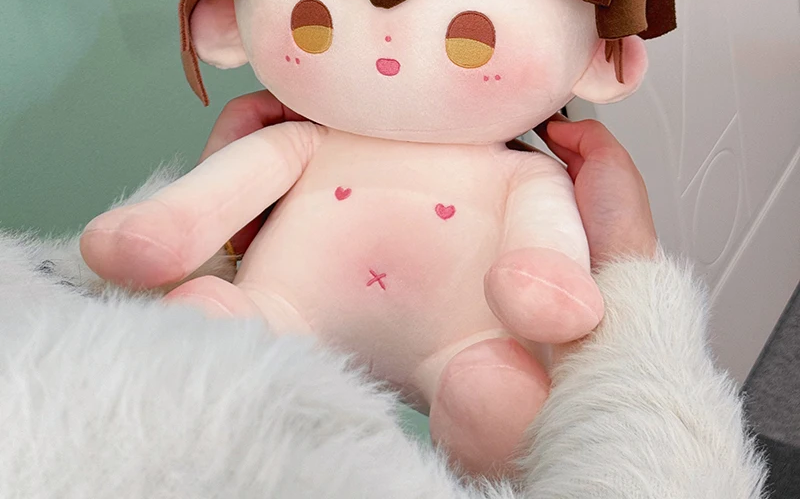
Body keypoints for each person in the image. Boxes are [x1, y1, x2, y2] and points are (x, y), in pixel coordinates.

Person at [0, 92, 767, 497]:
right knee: (211, 331)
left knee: (492, 394)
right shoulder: (300, 139)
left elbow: (540, 261)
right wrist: (626, 273)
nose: (395, 58)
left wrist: (551, 277)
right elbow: (174, 227)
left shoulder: (521, 173)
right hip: (281, 316)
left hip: (452, 342)